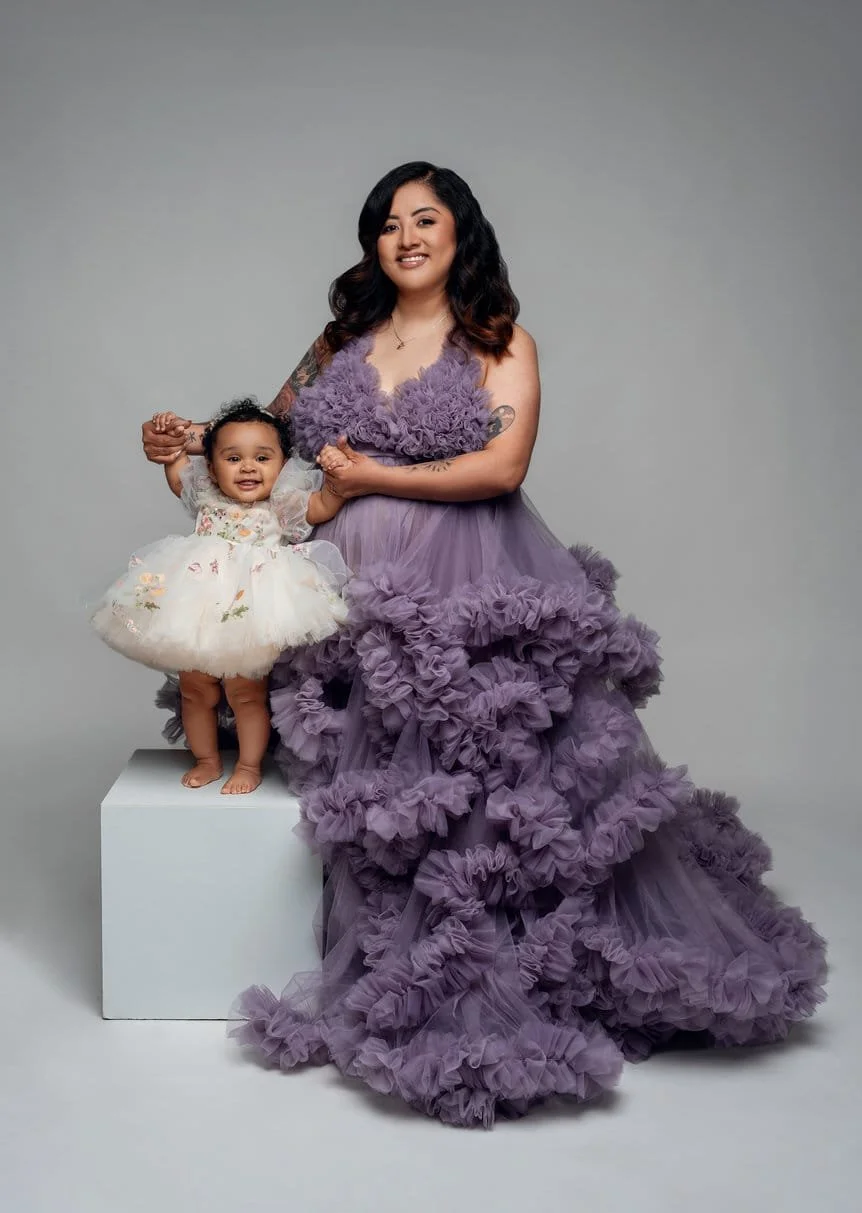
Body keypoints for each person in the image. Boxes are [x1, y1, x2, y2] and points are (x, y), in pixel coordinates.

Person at [141, 163, 827, 1126]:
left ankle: (479, 966)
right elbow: (264, 441)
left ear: (462, 233)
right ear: (372, 244)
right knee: (372, 780)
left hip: (460, 568)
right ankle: (381, 941)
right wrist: (183, 445)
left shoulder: (500, 340)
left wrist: (375, 471)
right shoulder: (339, 342)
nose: (405, 235)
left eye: (426, 219)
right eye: (387, 223)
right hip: (338, 573)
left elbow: (502, 464)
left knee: (475, 775)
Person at [97, 399, 348, 794]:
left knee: (245, 693)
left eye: (263, 457)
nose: (248, 467)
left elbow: (322, 505)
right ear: (212, 469)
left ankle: (248, 766)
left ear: (282, 466)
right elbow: (178, 471)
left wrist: (336, 476)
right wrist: (171, 441)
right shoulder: (206, 496)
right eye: (233, 458)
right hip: (196, 602)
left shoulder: (281, 504)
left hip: (251, 605)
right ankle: (207, 760)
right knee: (195, 690)